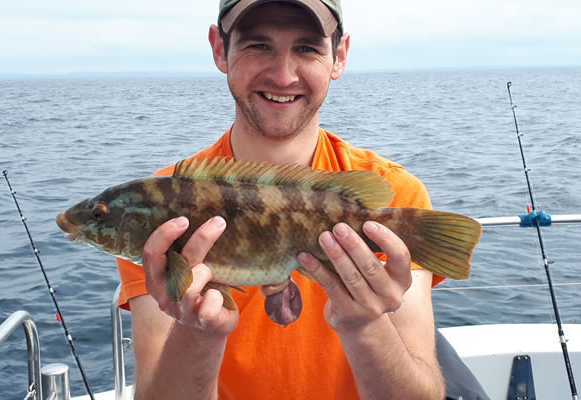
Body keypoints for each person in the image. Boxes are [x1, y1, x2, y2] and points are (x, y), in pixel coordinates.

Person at [116, 1, 486, 399]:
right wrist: (198, 332)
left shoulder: (397, 193)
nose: (283, 74)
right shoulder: (158, 204)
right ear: (220, 50)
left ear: (338, 56)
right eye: (258, 46)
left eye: (307, 48)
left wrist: (365, 325)